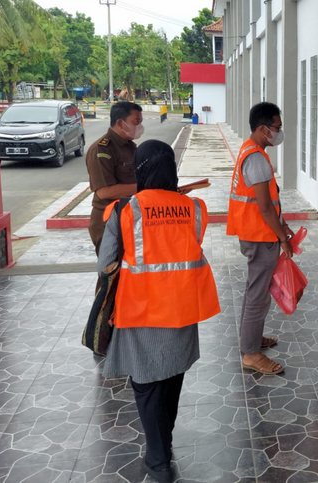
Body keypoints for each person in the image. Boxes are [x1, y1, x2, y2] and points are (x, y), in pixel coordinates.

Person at [99, 140, 220, 483]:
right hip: (183, 309)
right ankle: (163, 446)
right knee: (170, 381)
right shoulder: (194, 208)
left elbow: (104, 265)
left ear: (140, 169)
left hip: (142, 311)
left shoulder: (125, 210)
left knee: (147, 385)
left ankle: (158, 460)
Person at [227, 102, 294, 375]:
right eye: (277, 128)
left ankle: (251, 341)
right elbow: (264, 207)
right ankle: (251, 354)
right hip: (260, 236)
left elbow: (267, 204)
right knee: (258, 295)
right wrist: (282, 239)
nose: (279, 132)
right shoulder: (255, 158)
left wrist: (281, 224)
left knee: (255, 291)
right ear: (263, 129)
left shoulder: (251, 151)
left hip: (257, 232)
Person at [86, 102, 144, 255]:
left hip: (128, 217)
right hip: (108, 221)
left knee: (128, 273)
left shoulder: (130, 147)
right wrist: (147, 186)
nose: (139, 126)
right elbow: (105, 192)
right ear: (120, 123)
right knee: (111, 273)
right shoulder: (102, 149)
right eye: (136, 122)